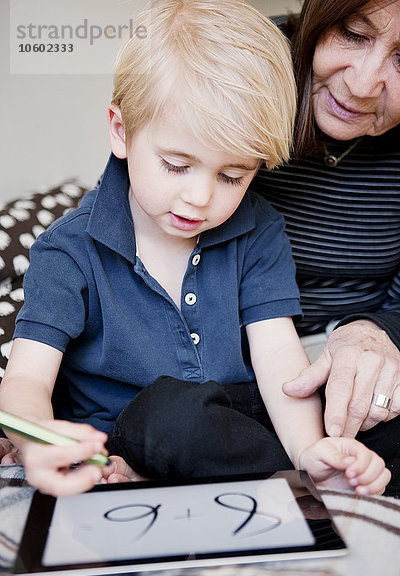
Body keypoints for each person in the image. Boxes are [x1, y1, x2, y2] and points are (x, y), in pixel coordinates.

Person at [0, 0, 389, 497]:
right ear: (121, 130)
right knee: (172, 420)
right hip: (130, 430)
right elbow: (25, 381)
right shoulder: (68, 250)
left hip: (233, 420)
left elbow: (282, 366)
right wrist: (37, 441)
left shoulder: (258, 230)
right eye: (177, 165)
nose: (200, 198)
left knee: (369, 429)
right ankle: (172, 470)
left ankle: (284, 470)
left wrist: (310, 452)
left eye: (232, 176)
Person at [250, 0, 400, 464]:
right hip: (220, 356)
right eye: (354, 33)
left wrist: (376, 332)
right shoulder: (241, 65)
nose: (361, 84)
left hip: (366, 365)